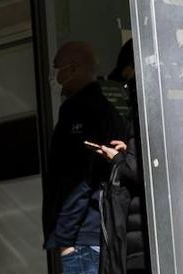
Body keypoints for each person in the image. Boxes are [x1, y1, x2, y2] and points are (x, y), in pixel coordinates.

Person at [44, 41, 128, 274]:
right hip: (91, 234)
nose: (54, 74)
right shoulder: (106, 111)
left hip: (82, 237)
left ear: (73, 68)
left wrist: (67, 239)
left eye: (56, 66)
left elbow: (80, 176)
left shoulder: (82, 111)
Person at [87, 40, 149, 274]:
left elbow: (138, 168)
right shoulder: (142, 103)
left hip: (136, 221)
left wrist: (118, 158)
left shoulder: (142, 104)